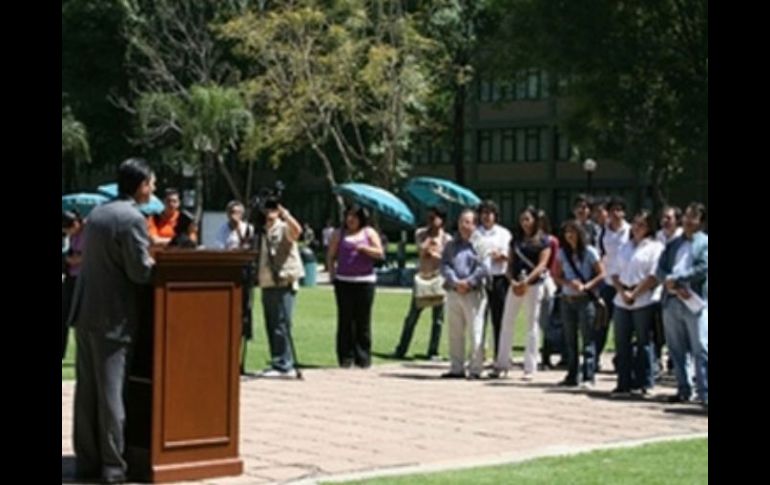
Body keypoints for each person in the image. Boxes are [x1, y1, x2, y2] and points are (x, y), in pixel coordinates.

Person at [69, 158, 156, 484]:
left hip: (87, 313)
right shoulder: (132, 218)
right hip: (114, 320)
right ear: (141, 185)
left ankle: (86, 461)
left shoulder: (98, 214)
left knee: (87, 393)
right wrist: (150, 260)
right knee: (110, 394)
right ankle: (113, 466)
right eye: (152, 182)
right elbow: (139, 272)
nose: (154, 188)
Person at [490, 206, 552, 380]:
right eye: (522, 219)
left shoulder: (544, 241)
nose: (524, 223)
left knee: (531, 324)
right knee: (507, 322)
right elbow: (509, 263)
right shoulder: (515, 239)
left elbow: (542, 265)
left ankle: (530, 367)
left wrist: (527, 281)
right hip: (515, 283)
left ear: (535, 220)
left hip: (534, 285)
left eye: (528, 219)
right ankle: (502, 364)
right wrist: (512, 281)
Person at [656, 203, 708, 407]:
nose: (687, 220)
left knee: (700, 347)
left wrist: (677, 278)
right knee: (676, 348)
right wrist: (668, 281)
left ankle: (704, 392)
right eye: (686, 216)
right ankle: (683, 388)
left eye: (693, 217)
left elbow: (704, 267)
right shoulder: (673, 243)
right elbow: (660, 268)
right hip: (672, 299)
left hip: (694, 299)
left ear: (701, 221)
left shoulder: (704, 242)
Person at [326, 205, 384, 368]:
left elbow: (380, 253)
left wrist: (365, 248)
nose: (350, 220)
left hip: (365, 281)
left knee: (362, 320)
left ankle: (363, 357)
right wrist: (332, 274)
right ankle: (345, 357)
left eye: (354, 216)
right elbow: (331, 255)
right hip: (344, 281)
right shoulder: (339, 234)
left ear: (361, 218)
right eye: (348, 216)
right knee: (345, 320)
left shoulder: (369, 233)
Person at [393, 207, 452, 359]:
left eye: (434, 218)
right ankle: (401, 348)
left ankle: (433, 351)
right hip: (422, 278)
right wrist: (428, 246)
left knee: (438, 319)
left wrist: (435, 254)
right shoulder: (421, 233)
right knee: (412, 316)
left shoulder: (447, 239)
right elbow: (421, 251)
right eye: (429, 218)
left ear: (441, 220)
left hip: (438, 279)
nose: (430, 222)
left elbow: (447, 261)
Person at [255, 197, 304, 378]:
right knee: (271, 323)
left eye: (273, 208)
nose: (269, 212)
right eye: (266, 208)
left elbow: (297, 231)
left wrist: (285, 213)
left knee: (282, 323)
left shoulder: (283, 227)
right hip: (267, 281)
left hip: (284, 280)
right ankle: (278, 360)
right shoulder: (261, 230)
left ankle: (285, 364)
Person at [553, 220, 605, 387]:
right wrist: (568, 284)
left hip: (585, 300)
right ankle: (572, 374)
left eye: (573, 231)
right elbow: (556, 275)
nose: (570, 235)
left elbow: (601, 274)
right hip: (568, 299)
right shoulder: (562, 253)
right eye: (567, 232)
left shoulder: (590, 252)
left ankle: (589, 375)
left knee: (588, 338)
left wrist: (586, 286)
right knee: (570, 339)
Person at [440, 209, 488, 379]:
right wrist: (455, 281)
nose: (463, 225)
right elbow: (445, 265)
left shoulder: (480, 244)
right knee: (455, 331)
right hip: (454, 291)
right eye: (461, 221)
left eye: (468, 222)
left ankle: (475, 368)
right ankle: (456, 368)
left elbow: (484, 267)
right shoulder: (451, 244)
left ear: (475, 224)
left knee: (475, 331)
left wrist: (468, 282)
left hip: (473, 293)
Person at [215, 200, 256, 373]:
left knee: (244, 315)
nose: (235, 215)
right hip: (229, 273)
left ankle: (240, 359)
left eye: (238, 212)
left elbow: (252, 250)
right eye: (232, 212)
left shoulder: (249, 229)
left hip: (246, 275)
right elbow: (219, 248)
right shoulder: (222, 230)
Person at [474, 200, 512, 361]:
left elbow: (510, 254)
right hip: (480, 278)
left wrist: (501, 255)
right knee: (478, 319)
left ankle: (500, 355)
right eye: (484, 213)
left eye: (490, 213)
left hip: (499, 278)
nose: (487, 217)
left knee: (500, 318)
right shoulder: (475, 233)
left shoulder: (503, 233)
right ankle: (478, 354)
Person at [62, 210, 85, 360]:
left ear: (75, 223)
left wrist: (78, 259)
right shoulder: (71, 236)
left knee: (81, 321)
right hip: (71, 277)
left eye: (67, 229)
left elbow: (90, 254)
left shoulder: (89, 232)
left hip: (84, 280)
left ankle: (83, 356)